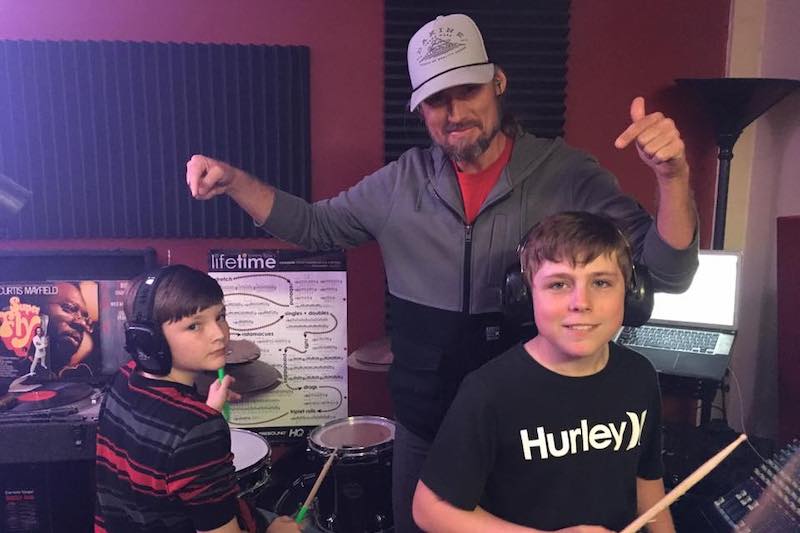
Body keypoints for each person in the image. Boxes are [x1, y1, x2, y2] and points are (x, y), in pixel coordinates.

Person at [185, 13, 697, 532]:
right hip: (424, 427)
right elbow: (315, 226)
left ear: (498, 82)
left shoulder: (568, 174)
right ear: (420, 110)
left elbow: (669, 272)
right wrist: (234, 182)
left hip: (529, 433)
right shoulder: (398, 183)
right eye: (436, 100)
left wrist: (672, 177)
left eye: (468, 90)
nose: (455, 112)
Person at [413, 211, 675, 533]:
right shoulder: (491, 391)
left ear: (631, 294)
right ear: (525, 296)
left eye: (601, 282)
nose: (581, 302)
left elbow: (647, 484)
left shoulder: (639, 376)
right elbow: (429, 510)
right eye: (558, 284)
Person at [94, 265, 300, 533]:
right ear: (149, 339)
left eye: (220, 316)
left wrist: (204, 410)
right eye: (194, 326)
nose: (219, 334)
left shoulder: (123, 379)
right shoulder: (197, 428)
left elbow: (162, 452)